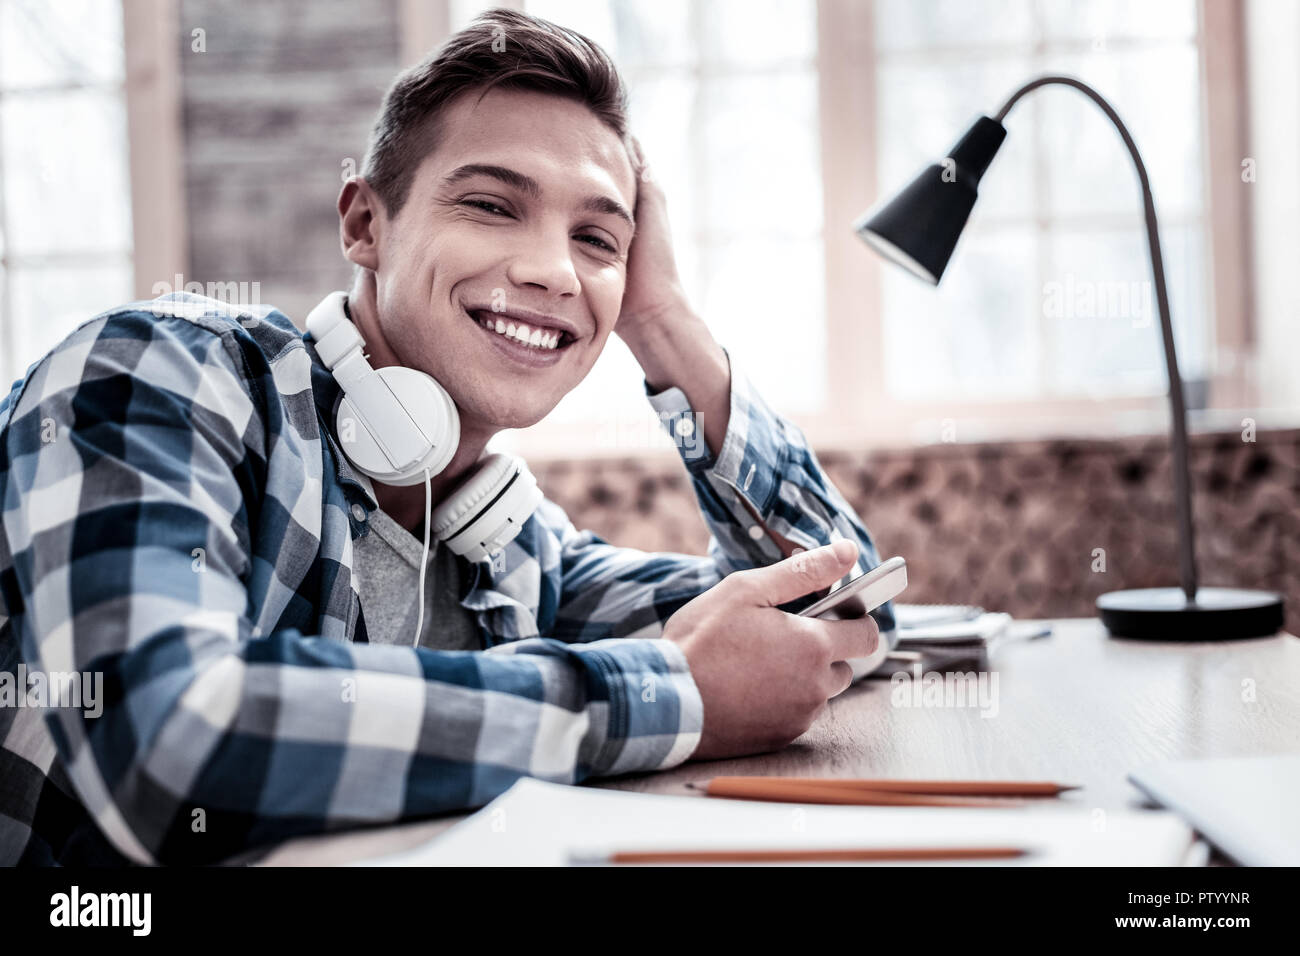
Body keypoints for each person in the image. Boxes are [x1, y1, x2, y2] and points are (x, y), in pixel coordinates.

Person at [0, 7, 893, 865]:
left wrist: (664, 322)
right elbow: (163, 738)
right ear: (364, 224)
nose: (551, 270)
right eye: (493, 206)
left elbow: (841, 609)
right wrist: (671, 692)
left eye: (595, 239)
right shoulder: (155, 372)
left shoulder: (506, 537)